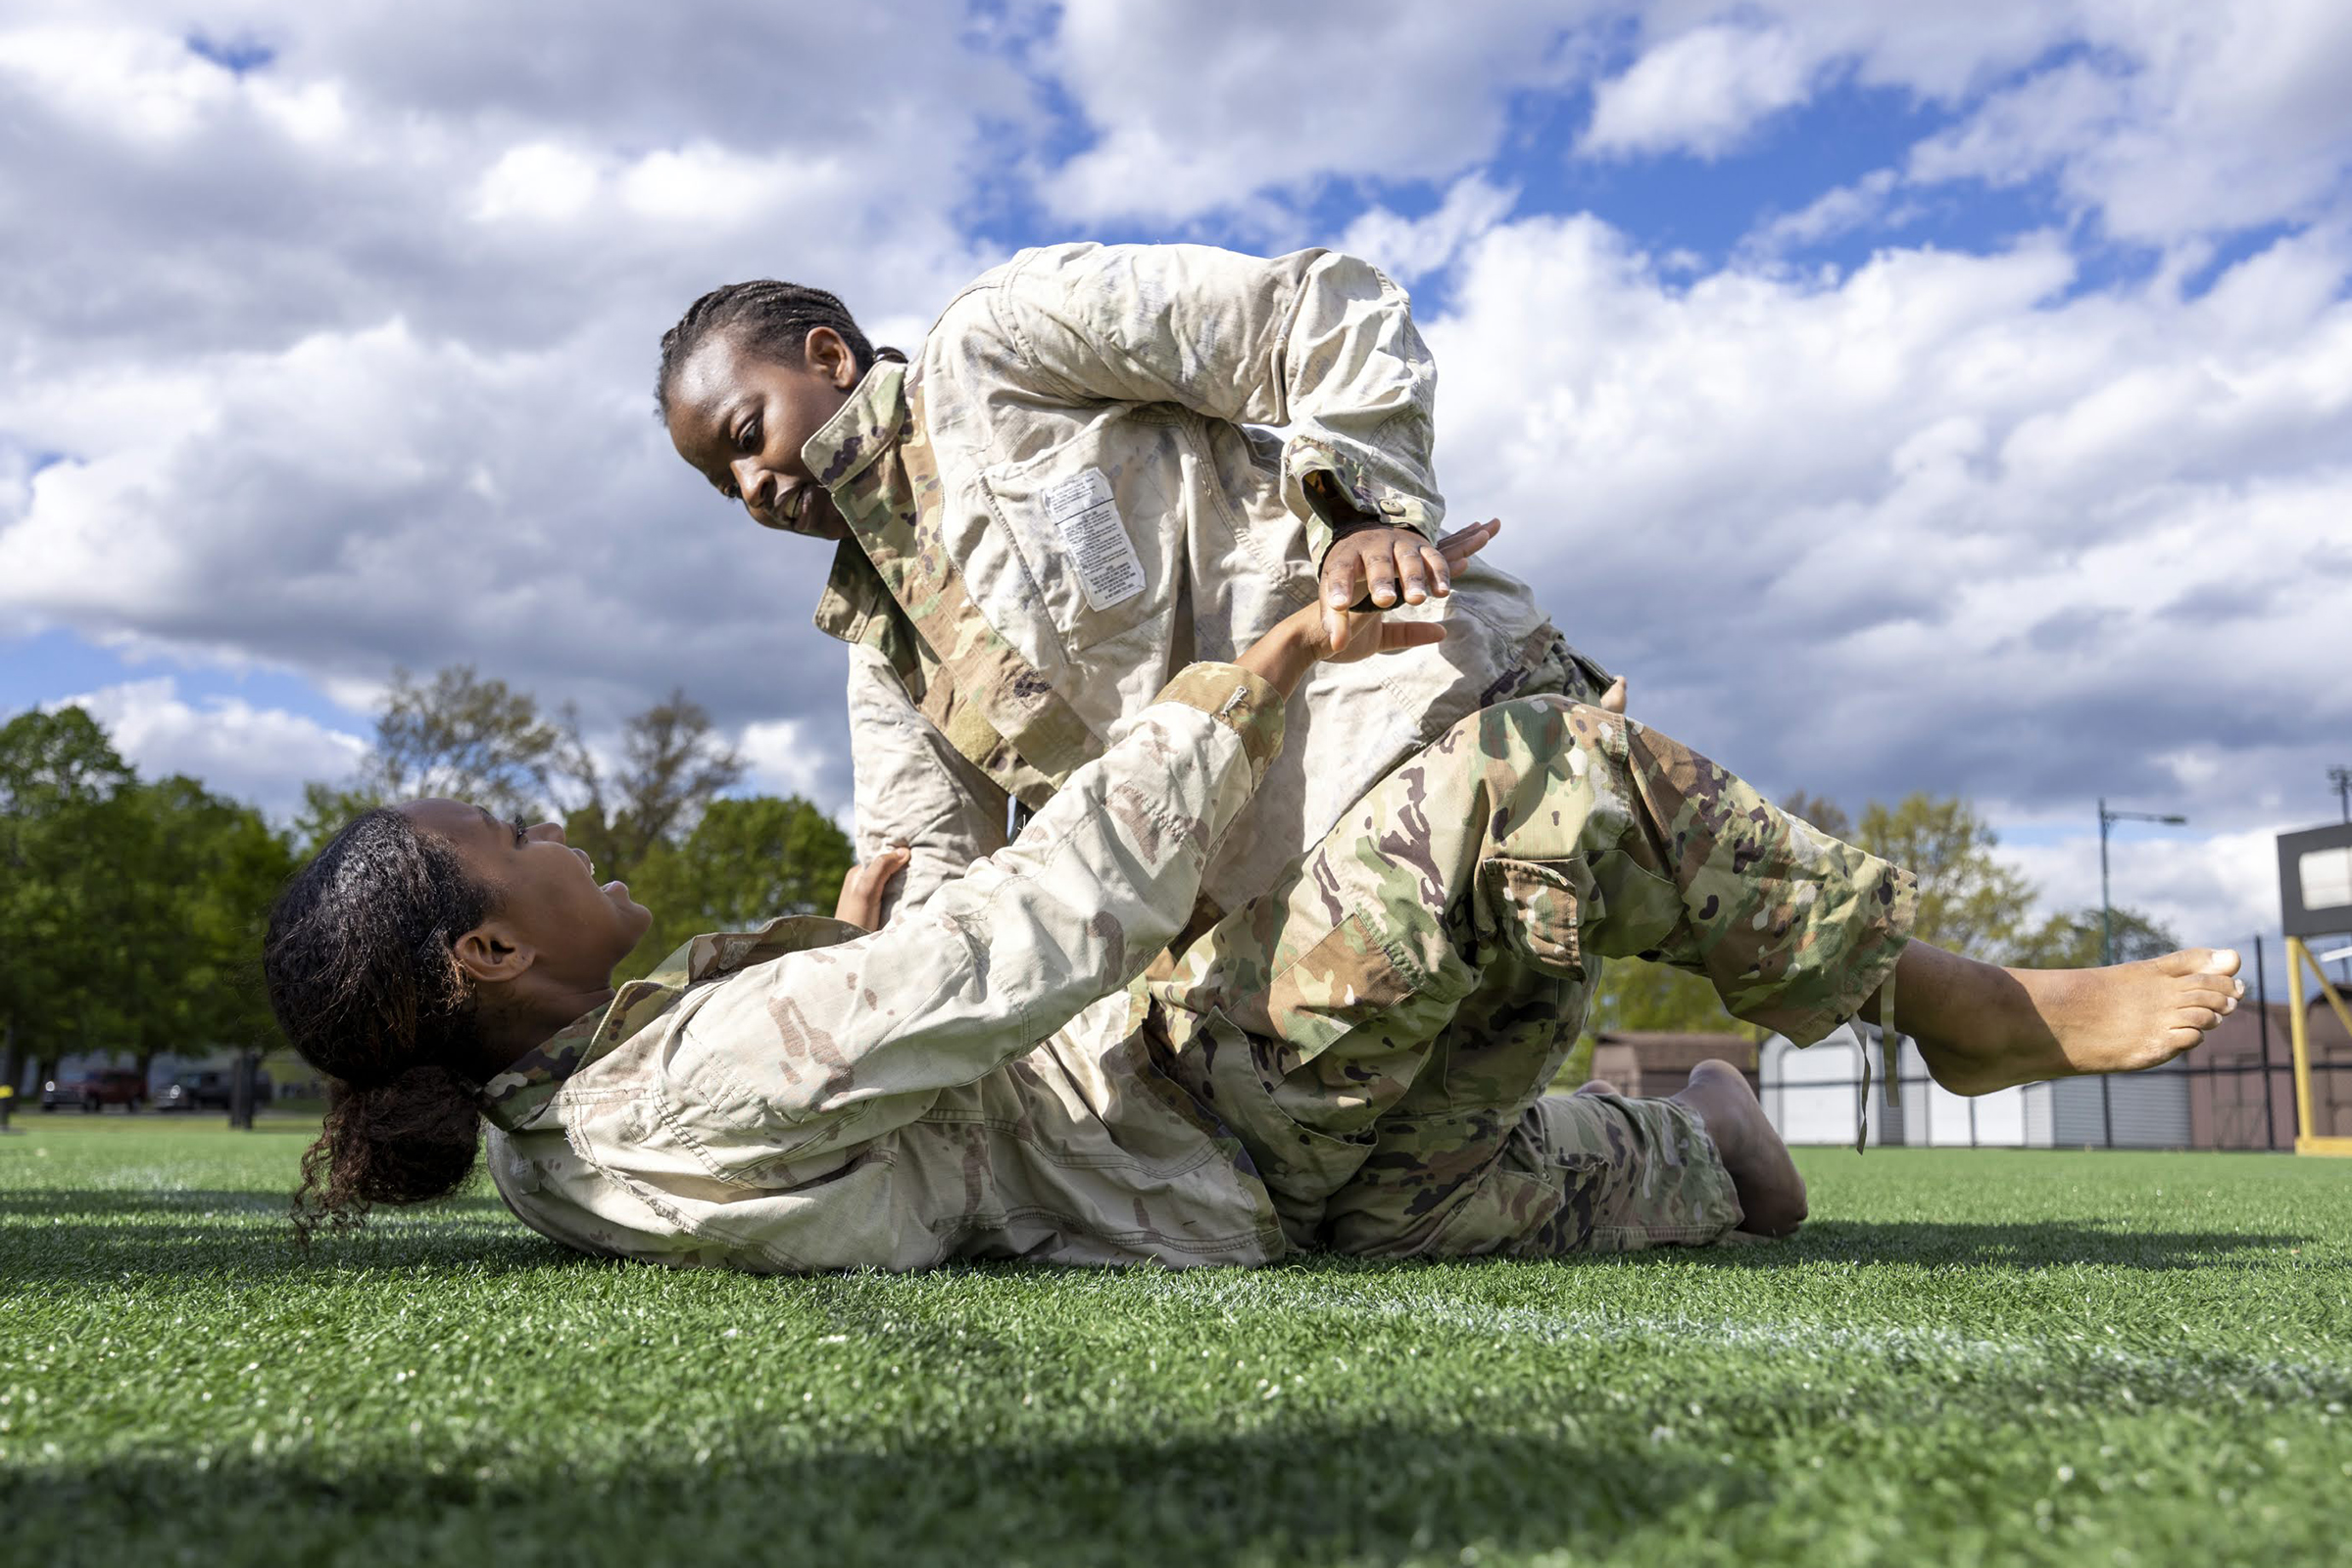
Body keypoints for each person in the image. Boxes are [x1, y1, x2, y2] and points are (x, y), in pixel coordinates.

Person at [264, 577, 2244, 1271]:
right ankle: (1943, 998)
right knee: (1526, 770)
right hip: (1195, 1117)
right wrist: (1255, 673)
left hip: (1218, 1184)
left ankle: (1703, 1150)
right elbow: (1037, 933)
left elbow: (849, 1067)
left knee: (1456, 1135)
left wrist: (830, 939)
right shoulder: (685, 1080)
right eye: (508, 835)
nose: (552, 829)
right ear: (488, 957)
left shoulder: (552, 1134)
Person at [658, 245, 1623, 933]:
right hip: (1312, 927)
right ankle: (1697, 1124)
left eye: (746, 436)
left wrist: (1360, 513)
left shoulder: (998, 344)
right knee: (1427, 1167)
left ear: (830, 359)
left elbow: (1316, 312)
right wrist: (869, 979)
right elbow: (930, 876)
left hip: (1452, 728)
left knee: (1690, 884)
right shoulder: (883, 645)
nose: (751, 489)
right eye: (723, 487)